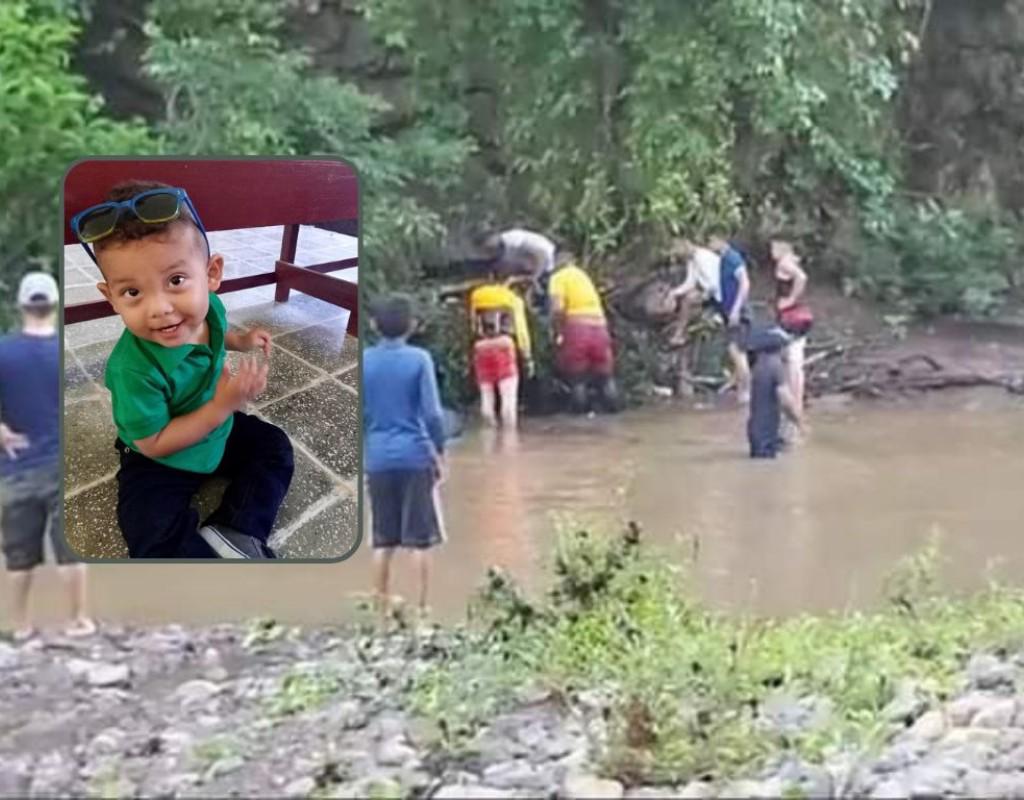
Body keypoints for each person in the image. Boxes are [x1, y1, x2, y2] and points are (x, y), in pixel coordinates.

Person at [72, 179, 293, 559]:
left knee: (274, 447)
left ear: (211, 275)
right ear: (111, 298)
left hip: (216, 433)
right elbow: (154, 442)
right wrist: (222, 406)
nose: (159, 308)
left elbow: (217, 334)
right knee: (149, 527)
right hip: (158, 455)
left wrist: (241, 341)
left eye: (175, 281)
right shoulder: (132, 369)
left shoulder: (212, 309)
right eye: (132, 292)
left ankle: (236, 531)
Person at [1, 273, 95, 641]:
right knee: (70, 553)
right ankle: (80, 621)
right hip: (59, 467)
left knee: (18, 556)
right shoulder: (62, 353)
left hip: (16, 470)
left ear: (22, 305)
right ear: (54, 305)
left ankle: (20, 626)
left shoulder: (5, 351)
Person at [363, 294, 448, 629]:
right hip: (415, 456)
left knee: (383, 540)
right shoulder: (419, 359)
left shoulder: (365, 360)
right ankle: (423, 611)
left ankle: (381, 612)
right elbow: (433, 415)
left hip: (378, 458)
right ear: (411, 326)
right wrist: (439, 453)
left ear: (374, 326)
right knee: (419, 539)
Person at [548, 252, 620, 414]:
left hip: (577, 328)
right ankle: (614, 416)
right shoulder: (583, 276)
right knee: (605, 377)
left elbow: (557, 309)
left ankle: (580, 421)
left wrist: (556, 330)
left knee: (577, 378)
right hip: (600, 327)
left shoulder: (558, 278)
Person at [468, 265, 534, 429]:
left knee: (486, 395)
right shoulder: (512, 298)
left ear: (490, 276)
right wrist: (527, 356)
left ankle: (489, 436)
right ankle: (509, 438)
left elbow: (472, 323)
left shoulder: (476, 295)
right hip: (504, 344)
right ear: (509, 279)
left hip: (481, 346)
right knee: (508, 396)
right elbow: (520, 330)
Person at [746, 326, 804, 459]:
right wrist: (800, 423)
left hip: (755, 432)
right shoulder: (776, 367)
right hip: (767, 434)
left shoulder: (759, 366)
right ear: (780, 348)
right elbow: (786, 400)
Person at [770, 238, 813, 420]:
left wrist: (790, 300)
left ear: (782, 248)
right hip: (800, 315)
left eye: (773, 247)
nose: (771, 252)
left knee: (792, 360)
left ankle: (795, 403)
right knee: (793, 359)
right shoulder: (791, 261)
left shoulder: (785, 262)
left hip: (792, 317)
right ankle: (796, 402)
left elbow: (801, 277)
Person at [707, 230, 752, 404]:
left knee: (737, 352)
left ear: (720, 240)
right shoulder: (723, 259)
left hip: (739, 312)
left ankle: (745, 393)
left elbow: (745, 283)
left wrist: (736, 309)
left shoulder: (732, 258)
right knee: (736, 352)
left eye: (711, 240)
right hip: (730, 311)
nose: (709, 245)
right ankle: (740, 389)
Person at [479, 228, 557, 313]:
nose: (488, 250)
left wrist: (534, 277)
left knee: (541, 299)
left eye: (487, 245)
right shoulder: (501, 249)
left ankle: (541, 315)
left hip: (543, 265)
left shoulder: (514, 240)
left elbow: (542, 255)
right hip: (527, 266)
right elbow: (503, 265)